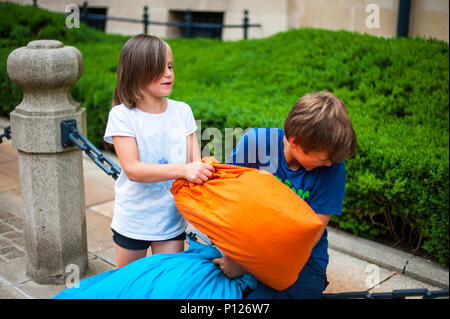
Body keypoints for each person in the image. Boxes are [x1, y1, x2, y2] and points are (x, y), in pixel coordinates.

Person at [213, 91, 357, 298]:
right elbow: (224, 198)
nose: (329, 164)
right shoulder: (256, 143)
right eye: (323, 159)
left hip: (301, 264)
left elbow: (308, 238)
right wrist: (237, 254)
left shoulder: (333, 167)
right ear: (295, 142)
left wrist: (247, 266)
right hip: (242, 249)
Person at [104, 34, 215, 268]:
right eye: (161, 67)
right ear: (138, 70)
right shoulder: (122, 116)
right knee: (130, 287)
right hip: (133, 221)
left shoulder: (182, 111)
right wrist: (185, 170)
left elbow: (194, 162)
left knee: (165, 288)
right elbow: (133, 169)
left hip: (170, 221)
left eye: (171, 66)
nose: (169, 74)